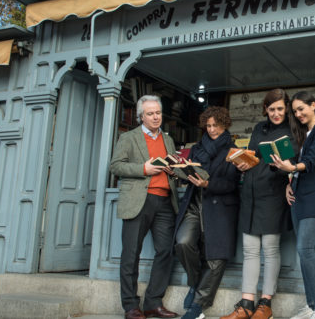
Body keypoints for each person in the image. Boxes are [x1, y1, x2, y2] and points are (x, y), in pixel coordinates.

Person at [222, 89, 296, 319]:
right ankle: (246, 303)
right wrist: (243, 163)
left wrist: (289, 173)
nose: (275, 113)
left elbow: (295, 164)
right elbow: (253, 156)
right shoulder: (258, 129)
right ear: (265, 109)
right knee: (250, 250)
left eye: (280, 109)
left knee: (270, 249)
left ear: (286, 109)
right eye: (271, 109)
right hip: (251, 195)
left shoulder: (293, 131)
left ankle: (266, 303)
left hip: (274, 194)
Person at [109, 95, 179, 319]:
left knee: (165, 252)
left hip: (165, 201)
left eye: (158, 112)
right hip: (139, 200)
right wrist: (143, 169)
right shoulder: (129, 138)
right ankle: (130, 306)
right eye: (150, 113)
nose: (156, 117)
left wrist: (174, 169)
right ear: (141, 116)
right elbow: (116, 166)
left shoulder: (167, 139)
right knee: (131, 255)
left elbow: (170, 166)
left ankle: (153, 303)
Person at [271, 91, 315, 319]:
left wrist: (291, 169)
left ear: (313, 105)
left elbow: (312, 162)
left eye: (301, 109)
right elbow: (300, 166)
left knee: (306, 250)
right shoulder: (306, 134)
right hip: (298, 197)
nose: (298, 114)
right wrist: (290, 181)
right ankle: (312, 306)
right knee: (304, 252)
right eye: (295, 111)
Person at [174, 106, 240, 319]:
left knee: (216, 259)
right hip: (194, 203)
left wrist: (208, 183)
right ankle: (195, 284)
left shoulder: (233, 149)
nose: (211, 130)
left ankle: (197, 306)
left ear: (224, 125)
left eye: (216, 126)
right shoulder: (197, 147)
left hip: (220, 206)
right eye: (208, 126)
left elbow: (231, 184)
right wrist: (180, 170)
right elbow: (189, 173)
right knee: (183, 242)